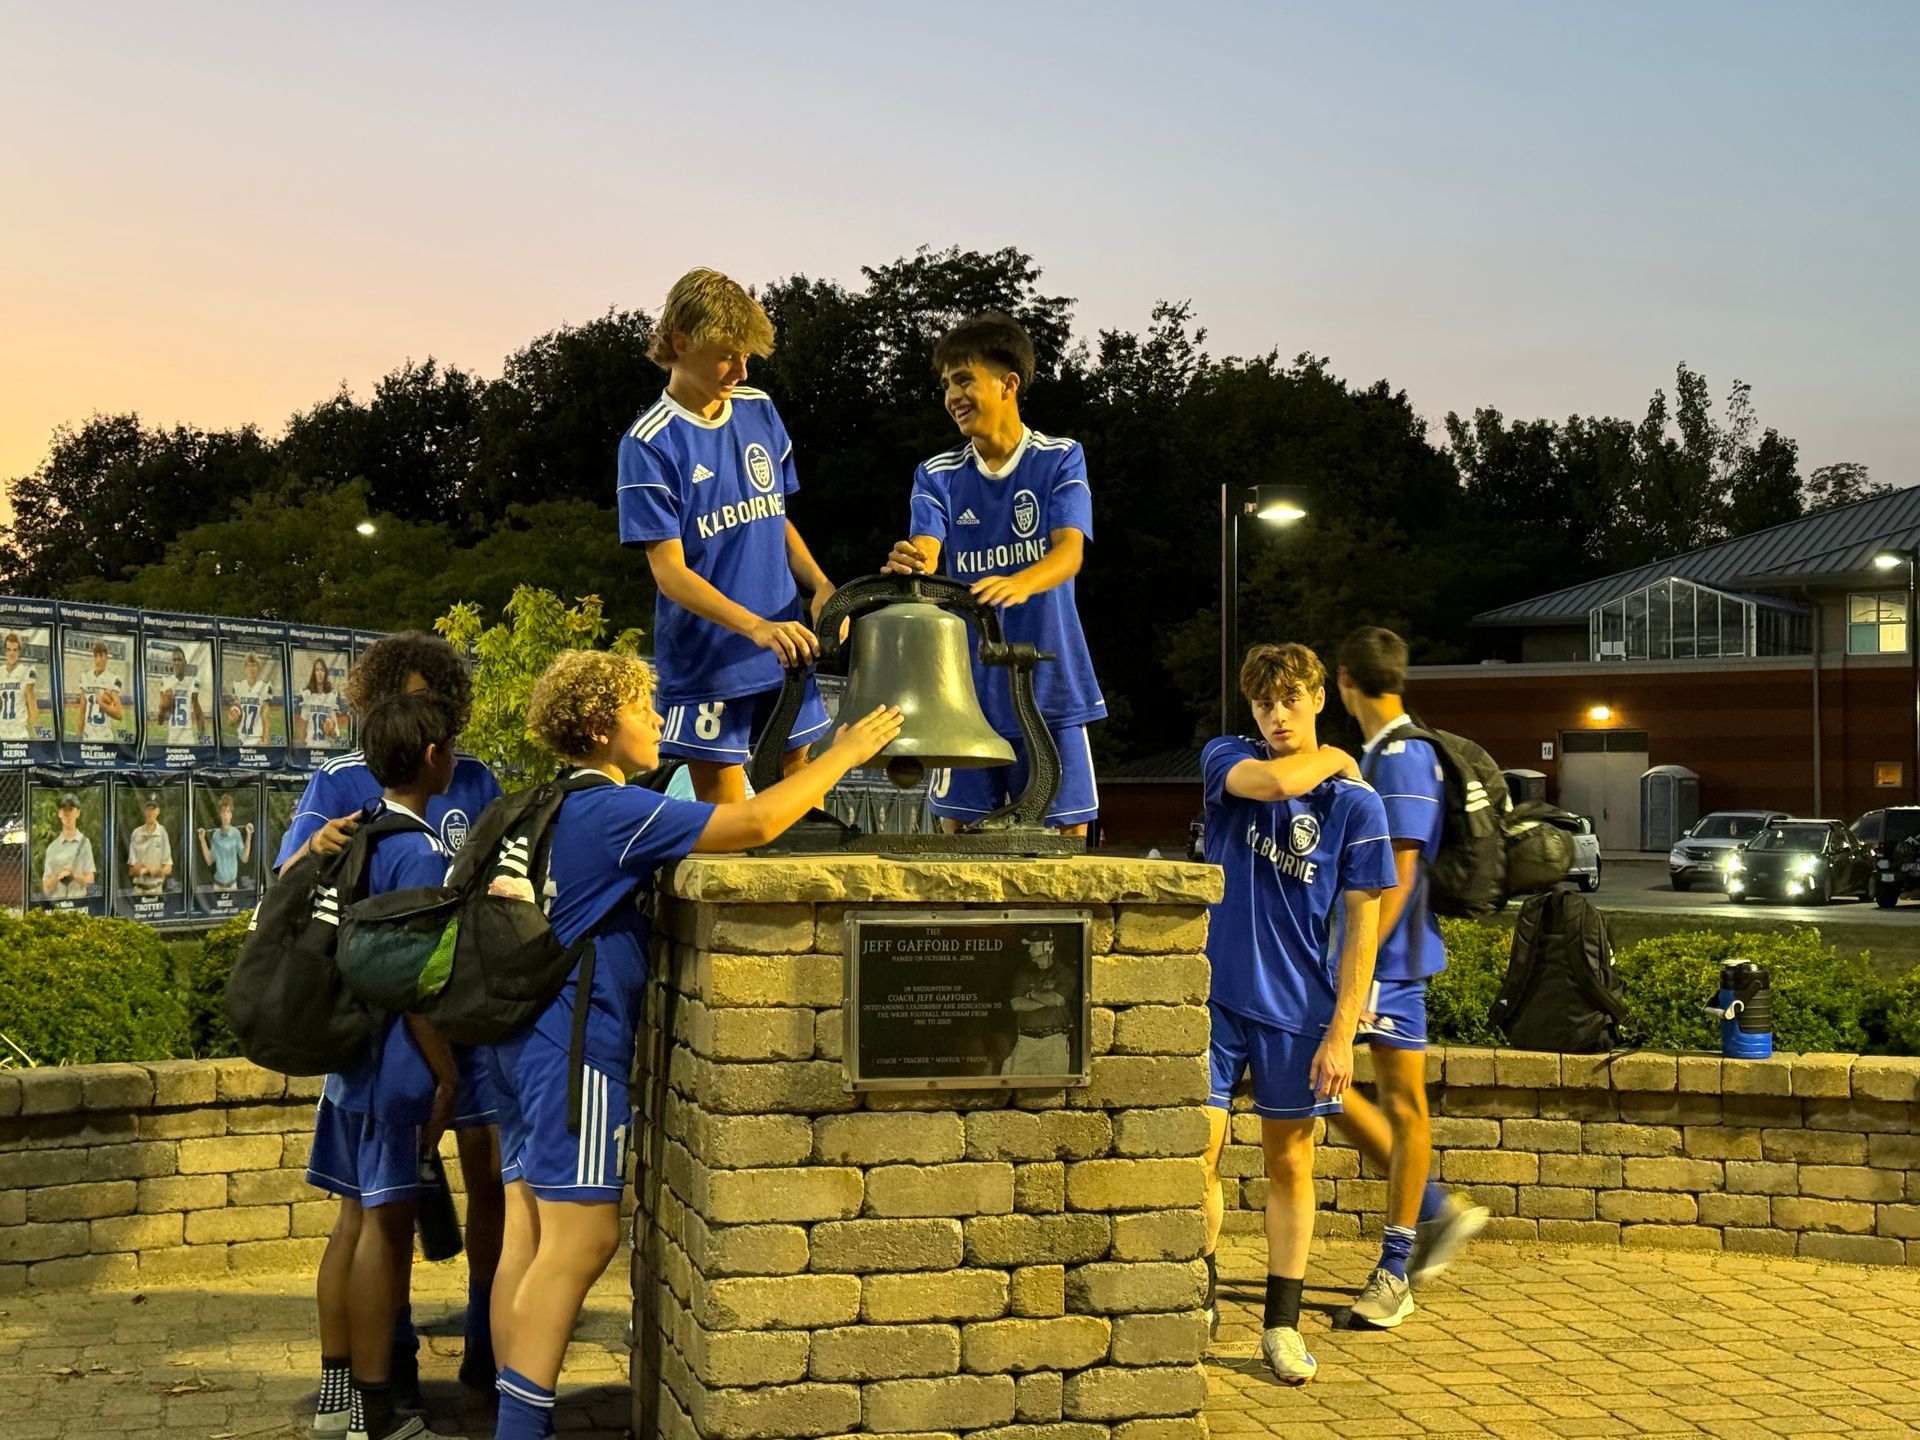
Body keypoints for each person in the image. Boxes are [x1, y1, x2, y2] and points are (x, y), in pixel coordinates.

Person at [486, 649, 900, 1440]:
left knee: (531, 1232)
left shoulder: (540, 803)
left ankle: (513, 1413)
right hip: (573, 1046)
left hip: (512, 1038)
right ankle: (519, 1428)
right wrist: (843, 754)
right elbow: (753, 823)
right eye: (643, 712)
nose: (657, 724)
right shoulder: (613, 811)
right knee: (585, 1237)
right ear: (603, 728)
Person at [276, 630, 508, 1393]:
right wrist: (317, 848)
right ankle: (385, 1366)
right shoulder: (344, 782)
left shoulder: (475, 778)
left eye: (431, 698)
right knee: (382, 1210)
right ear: (375, 706)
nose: (421, 711)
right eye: (405, 698)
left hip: (463, 1008)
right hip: (404, 1024)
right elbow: (292, 879)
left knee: (480, 1175)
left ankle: (483, 1332)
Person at [1198, 642, 1395, 1385]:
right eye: (1263, 703)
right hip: (1215, 999)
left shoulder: (1356, 806)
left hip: (1298, 1014)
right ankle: (1202, 1290)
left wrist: (1342, 1032)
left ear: (1317, 696)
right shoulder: (1226, 759)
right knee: (1197, 1153)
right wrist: (1340, 753)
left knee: (1290, 1162)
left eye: (1290, 700)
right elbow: (1276, 782)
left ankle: (1280, 1326)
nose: (1276, 715)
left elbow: (1361, 931)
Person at [306, 691, 466, 1440]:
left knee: (349, 1225)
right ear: (434, 757)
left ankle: (338, 1398)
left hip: (349, 1063)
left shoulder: (357, 831)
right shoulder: (417, 848)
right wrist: (445, 1073)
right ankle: (379, 1417)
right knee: (384, 1234)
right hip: (398, 1070)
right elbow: (416, 980)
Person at [617, 267, 836, 805]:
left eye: (747, 355)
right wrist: (755, 627)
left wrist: (823, 585)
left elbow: (775, 515)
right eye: (727, 354)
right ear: (680, 341)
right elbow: (669, 573)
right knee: (730, 831)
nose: (740, 368)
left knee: (797, 811)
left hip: (786, 649)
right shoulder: (648, 443)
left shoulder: (759, 409)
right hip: (710, 663)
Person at [884, 311, 1103, 835]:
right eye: (945, 385)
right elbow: (928, 548)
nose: (952, 397)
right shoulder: (936, 474)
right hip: (962, 692)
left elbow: (1069, 554)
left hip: (1049, 680)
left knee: (1068, 835)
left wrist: (1021, 582)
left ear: (1008, 384)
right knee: (956, 836)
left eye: (963, 380)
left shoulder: (1060, 459)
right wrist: (913, 560)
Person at [1332, 626, 1490, 1326]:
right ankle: (1433, 1210)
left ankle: (1397, 1269)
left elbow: (1398, 870)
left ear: (1343, 682)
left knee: (1400, 1105)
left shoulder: (1401, 756)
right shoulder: (1374, 753)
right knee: (1318, 1091)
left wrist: (1360, 971)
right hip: (1365, 964)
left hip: (1385, 968)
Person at [1002, 934, 1074, 1075]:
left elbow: (1058, 1000)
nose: (1029, 950)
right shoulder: (1024, 973)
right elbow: (1017, 1004)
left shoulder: (1064, 973)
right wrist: (1047, 1001)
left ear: (1049, 947)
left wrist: (1031, 994)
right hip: (1026, 1041)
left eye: (1033, 945)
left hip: (1054, 1041)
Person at [41, 791, 96, 900]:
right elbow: (46, 888)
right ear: (59, 813)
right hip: (57, 904)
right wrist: (57, 875)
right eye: (64, 810)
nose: (67, 814)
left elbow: (90, 882)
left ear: (78, 813)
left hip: (80, 903)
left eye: (71, 809)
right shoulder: (52, 847)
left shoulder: (85, 843)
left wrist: (73, 874)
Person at [198, 795, 254, 891]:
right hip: (217, 886)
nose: (225, 815)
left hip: (232, 886)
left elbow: (244, 858)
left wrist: (249, 836)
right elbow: (209, 860)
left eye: (228, 812)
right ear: (220, 814)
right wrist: (202, 839)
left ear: (231, 815)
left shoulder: (236, 834)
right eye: (223, 812)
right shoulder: (216, 835)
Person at [155, 645, 209, 745]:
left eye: (179, 659)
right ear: (172, 663)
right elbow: (160, 721)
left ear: (185, 662)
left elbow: (197, 713)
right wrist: (163, 708)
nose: (177, 663)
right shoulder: (166, 682)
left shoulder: (192, 682)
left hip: (187, 737)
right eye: (174, 660)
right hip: (172, 737)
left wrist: (202, 736)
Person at [126, 792, 174, 897]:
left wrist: (149, 870)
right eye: (148, 809)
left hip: (157, 891)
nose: (150, 813)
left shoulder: (162, 833)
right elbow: (131, 870)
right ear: (144, 811)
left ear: (158, 811)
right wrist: (139, 870)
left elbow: (168, 868)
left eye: (153, 809)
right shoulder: (136, 833)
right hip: (138, 891)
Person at [77, 640, 126, 742]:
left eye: (101, 656)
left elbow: (119, 714)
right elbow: (82, 710)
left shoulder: (113, 679)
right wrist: (78, 736)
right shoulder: (85, 677)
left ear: (106, 657)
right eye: (95, 656)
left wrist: (102, 704)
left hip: (104, 738)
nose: (98, 660)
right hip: (87, 737)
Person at [0, 631, 43, 741]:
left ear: (19, 652)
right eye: (9, 649)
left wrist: (40, 736)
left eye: (15, 650)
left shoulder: (26, 672)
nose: (12, 653)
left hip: (20, 735)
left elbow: (33, 709)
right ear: (5, 651)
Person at [228, 651, 275, 746]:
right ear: (245, 668)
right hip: (241, 737)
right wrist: (232, 719)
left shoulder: (264, 687)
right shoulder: (239, 686)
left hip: (256, 738)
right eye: (249, 666)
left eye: (254, 665)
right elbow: (234, 715)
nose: (251, 669)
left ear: (258, 668)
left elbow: (266, 716)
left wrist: (265, 738)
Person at [298, 655, 345, 747]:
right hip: (310, 747)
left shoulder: (331, 697)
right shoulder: (308, 696)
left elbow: (334, 734)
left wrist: (330, 728)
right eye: (317, 670)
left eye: (322, 670)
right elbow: (302, 728)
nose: (320, 673)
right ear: (314, 673)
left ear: (325, 673)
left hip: (326, 747)